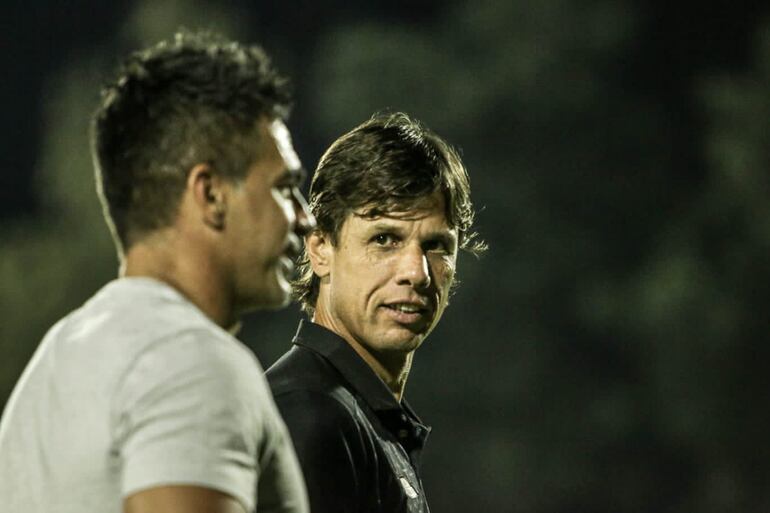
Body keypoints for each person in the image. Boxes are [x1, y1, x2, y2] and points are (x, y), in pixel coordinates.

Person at [0, 31, 312, 513]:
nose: (304, 216)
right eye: (284, 187)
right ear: (210, 195)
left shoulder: (49, 369)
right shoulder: (193, 362)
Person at [266, 112, 486, 513]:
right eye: (384, 239)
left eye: (436, 245)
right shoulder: (311, 415)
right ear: (319, 248)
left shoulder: (359, 416)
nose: (416, 273)